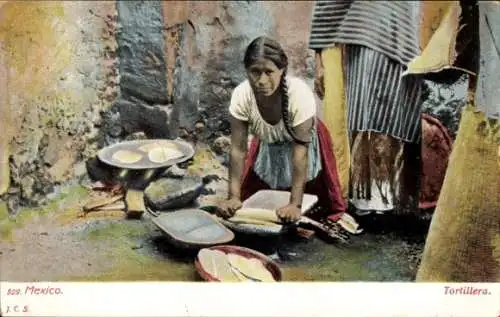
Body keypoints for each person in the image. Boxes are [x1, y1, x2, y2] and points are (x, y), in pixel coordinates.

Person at [309, 1, 424, 217]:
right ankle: (362, 199)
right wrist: (319, 61)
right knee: (362, 115)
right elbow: (328, 6)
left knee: (392, 115)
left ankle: (389, 199)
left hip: (399, 39)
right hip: (355, 40)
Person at [216, 36, 347, 225]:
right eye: (255, 72)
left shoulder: (299, 95)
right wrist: (233, 196)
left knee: (314, 210)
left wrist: (295, 204)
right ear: (246, 71)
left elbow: (300, 154)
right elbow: (237, 149)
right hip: (270, 143)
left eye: (269, 72)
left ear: (282, 70)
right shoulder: (242, 95)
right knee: (250, 208)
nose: (262, 80)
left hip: (304, 145)